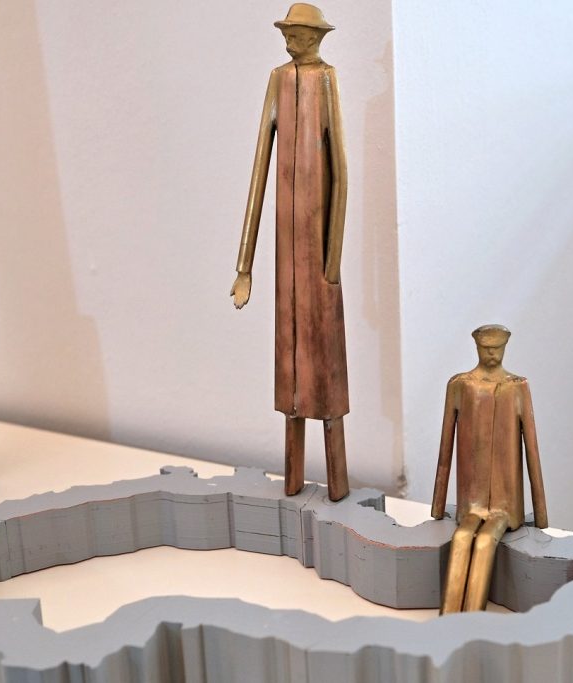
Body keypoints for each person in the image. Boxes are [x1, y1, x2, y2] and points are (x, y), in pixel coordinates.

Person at [230, 4, 350, 501]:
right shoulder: (279, 80)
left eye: (298, 34)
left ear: (316, 37)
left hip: (317, 256)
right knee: (290, 371)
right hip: (286, 257)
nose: (289, 41)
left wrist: (331, 262)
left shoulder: (325, 80)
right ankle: (293, 480)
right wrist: (245, 267)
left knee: (326, 368)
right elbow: (260, 167)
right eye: (287, 34)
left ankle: (338, 482)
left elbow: (341, 172)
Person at [431, 325, 548, 613]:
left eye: (497, 348)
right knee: (461, 538)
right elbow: (445, 448)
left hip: (506, 503)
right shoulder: (460, 385)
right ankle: (449, 622)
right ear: (477, 348)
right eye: (486, 349)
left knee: (484, 543)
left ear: (505, 348)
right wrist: (437, 507)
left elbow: (532, 450)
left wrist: (541, 516)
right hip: (471, 499)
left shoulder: (517, 387)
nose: (492, 354)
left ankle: (468, 623)